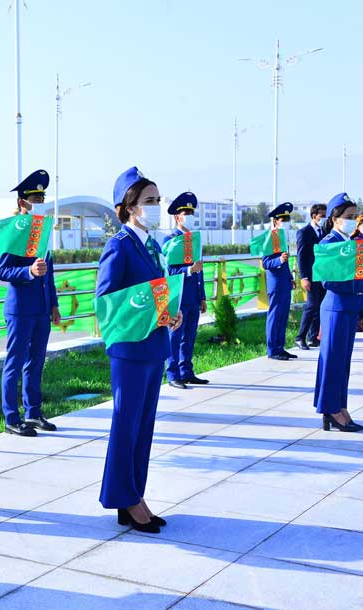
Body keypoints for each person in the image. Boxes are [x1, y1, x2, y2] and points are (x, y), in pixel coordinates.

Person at [97, 167, 183, 534]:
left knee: (143, 427)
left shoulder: (151, 245)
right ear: (130, 207)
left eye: (158, 200)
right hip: (130, 351)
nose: (156, 206)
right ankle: (126, 498)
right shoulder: (119, 246)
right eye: (150, 201)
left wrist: (169, 314)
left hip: (152, 346)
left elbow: (155, 294)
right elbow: (106, 302)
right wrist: (149, 307)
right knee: (126, 425)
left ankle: (134, 495)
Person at [0, 169, 61, 436]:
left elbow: (49, 272)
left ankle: (33, 412)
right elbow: (2, 271)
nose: (40, 201)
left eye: (42, 197)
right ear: (22, 202)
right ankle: (12, 418)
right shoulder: (13, 230)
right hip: (20, 310)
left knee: (35, 363)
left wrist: (54, 305)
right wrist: (28, 272)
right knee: (15, 363)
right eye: (35, 197)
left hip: (41, 309)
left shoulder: (43, 230)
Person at [312, 193, 363, 432]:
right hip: (335, 307)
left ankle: (340, 406)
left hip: (350, 307)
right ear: (335, 218)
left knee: (343, 363)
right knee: (333, 361)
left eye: (355, 216)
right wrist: (350, 279)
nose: (353, 220)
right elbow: (328, 281)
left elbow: (360, 279)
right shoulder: (329, 243)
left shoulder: (354, 243)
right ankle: (330, 409)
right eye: (348, 216)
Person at [162, 192, 208, 388]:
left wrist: (203, 296)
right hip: (178, 296)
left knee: (190, 336)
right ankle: (173, 374)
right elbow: (170, 269)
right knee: (175, 335)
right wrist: (189, 269)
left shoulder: (194, 239)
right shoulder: (171, 240)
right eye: (185, 212)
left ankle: (186, 371)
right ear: (177, 217)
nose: (189, 215)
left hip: (193, 296)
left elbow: (200, 271)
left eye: (191, 212)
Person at [263, 202, 297, 361]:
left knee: (283, 316)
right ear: (276, 221)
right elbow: (265, 263)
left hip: (284, 282)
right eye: (283, 219)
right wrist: (278, 259)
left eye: (287, 218)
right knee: (275, 316)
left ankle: (280, 347)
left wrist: (290, 278)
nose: (286, 221)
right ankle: (273, 349)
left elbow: (286, 262)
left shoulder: (282, 238)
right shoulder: (271, 237)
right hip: (275, 283)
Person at [295, 203, 327, 350]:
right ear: (314, 216)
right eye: (322, 216)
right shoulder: (304, 232)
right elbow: (301, 257)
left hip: (322, 275)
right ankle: (300, 337)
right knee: (311, 305)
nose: (324, 218)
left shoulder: (325, 231)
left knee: (319, 306)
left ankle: (313, 337)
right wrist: (304, 277)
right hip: (310, 275)